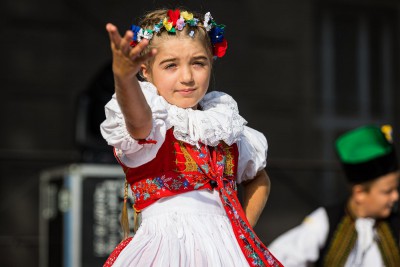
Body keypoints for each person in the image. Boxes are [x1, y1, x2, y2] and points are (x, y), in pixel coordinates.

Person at [100, 8, 283, 267]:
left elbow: (258, 178)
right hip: (167, 251)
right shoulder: (155, 125)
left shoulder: (225, 127)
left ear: (211, 62)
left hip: (228, 254)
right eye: (170, 65)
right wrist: (124, 80)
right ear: (145, 71)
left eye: (198, 63)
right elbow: (138, 122)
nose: (187, 77)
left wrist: (240, 230)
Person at [268, 124, 400, 267]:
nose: (396, 196)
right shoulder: (325, 221)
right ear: (360, 193)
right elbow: (280, 256)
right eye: (388, 191)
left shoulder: (395, 224)